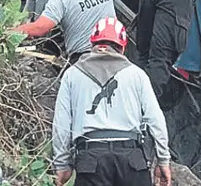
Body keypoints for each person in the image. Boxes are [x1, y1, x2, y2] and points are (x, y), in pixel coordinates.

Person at [52, 17, 172, 186]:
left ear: (92, 44)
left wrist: (62, 164)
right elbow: (155, 119)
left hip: (91, 162)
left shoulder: (72, 75)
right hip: (132, 161)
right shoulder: (137, 75)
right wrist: (163, 160)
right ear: (122, 47)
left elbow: (62, 124)